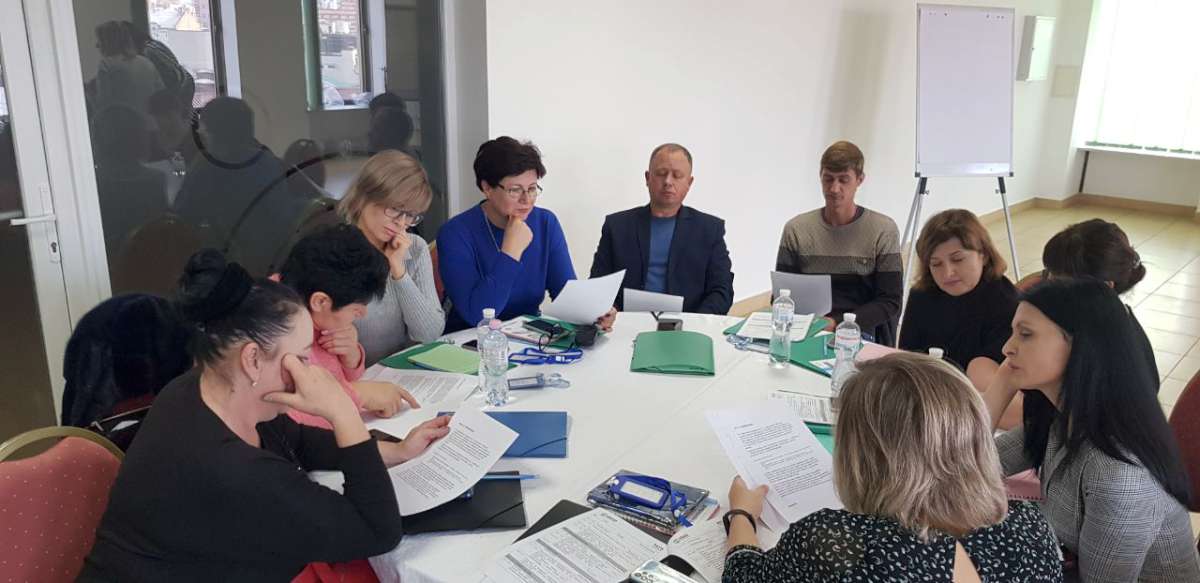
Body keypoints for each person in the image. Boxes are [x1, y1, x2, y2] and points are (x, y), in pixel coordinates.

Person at [78, 250, 451, 581]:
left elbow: (299, 440)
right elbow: (377, 532)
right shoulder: (233, 470)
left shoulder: (204, 388)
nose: (310, 371)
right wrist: (343, 413)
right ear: (253, 359)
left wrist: (395, 451)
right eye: (301, 357)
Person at [722, 352, 1063, 582]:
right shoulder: (1031, 528)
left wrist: (742, 515)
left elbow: (744, 574)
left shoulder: (835, 543)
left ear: (861, 453)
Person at [983, 278, 1199, 581]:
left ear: (1080, 346)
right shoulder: (1062, 417)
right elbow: (974, 465)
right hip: (1065, 556)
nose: (1007, 348)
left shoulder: (1119, 475)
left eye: (1026, 334)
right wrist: (1002, 385)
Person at [438, 136, 615, 331]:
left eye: (532, 189)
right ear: (487, 187)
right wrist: (510, 253)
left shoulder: (545, 223)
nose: (526, 200)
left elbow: (566, 296)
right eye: (515, 190)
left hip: (529, 336)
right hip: (471, 340)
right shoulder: (455, 233)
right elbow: (477, 315)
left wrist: (595, 314)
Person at [277, 224, 420, 425]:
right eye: (356, 310)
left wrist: (351, 354)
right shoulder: (271, 334)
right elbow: (282, 423)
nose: (362, 315)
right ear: (320, 301)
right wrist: (357, 394)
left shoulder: (317, 313)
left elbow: (345, 377)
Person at [899, 209, 1020, 427]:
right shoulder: (922, 294)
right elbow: (908, 355)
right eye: (936, 264)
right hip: (929, 399)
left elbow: (1002, 385)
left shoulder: (1007, 303)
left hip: (979, 411)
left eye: (957, 259)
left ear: (983, 255)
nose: (947, 273)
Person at [776, 141, 901, 344]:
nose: (834, 188)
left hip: (860, 328)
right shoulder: (796, 229)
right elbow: (782, 293)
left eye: (843, 180)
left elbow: (890, 301)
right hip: (809, 328)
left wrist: (837, 323)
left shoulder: (882, 230)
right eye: (828, 179)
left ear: (859, 180)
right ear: (820, 177)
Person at [589, 143, 733, 314]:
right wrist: (608, 311)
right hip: (625, 321)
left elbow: (721, 291)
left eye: (677, 175)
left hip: (686, 323)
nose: (668, 182)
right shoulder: (617, 226)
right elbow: (598, 284)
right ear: (647, 178)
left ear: (689, 183)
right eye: (661, 173)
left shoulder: (709, 229)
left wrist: (694, 322)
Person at [174, 96, 308, 276]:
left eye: (203, 127)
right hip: (277, 255)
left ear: (214, 133)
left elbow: (183, 217)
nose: (199, 131)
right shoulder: (266, 159)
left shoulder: (207, 166)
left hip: (236, 262)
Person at [339, 151, 445, 364]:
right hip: (352, 374)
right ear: (365, 196)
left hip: (402, 370)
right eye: (395, 209)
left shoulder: (414, 248)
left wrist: (398, 271)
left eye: (411, 215)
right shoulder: (334, 250)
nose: (401, 222)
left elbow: (430, 334)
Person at [1041, 218, 1157, 391]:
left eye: (1061, 285)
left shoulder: (1110, 356)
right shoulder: (1097, 318)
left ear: (1103, 288)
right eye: (1047, 275)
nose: (1047, 291)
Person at [92, 21, 164, 115]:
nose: (97, 45)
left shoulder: (106, 65)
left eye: (100, 41)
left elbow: (104, 103)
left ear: (107, 42)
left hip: (124, 121)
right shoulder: (147, 63)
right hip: (151, 120)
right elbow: (161, 94)